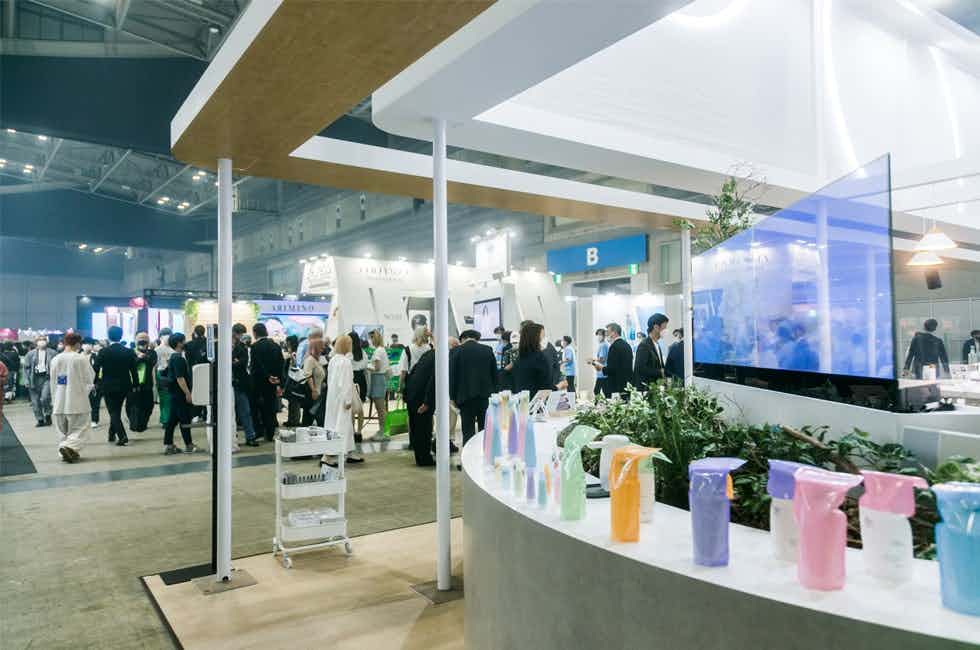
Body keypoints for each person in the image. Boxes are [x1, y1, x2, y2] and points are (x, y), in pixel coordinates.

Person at [48, 332, 95, 463]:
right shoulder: (80, 359)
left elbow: (52, 381)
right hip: (77, 401)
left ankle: (68, 451)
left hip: (59, 401)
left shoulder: (55, 359)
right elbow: (89, 378)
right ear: (78, 344)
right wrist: (86, 391)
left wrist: (54, 399)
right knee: (81, 429)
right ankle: (68, 447)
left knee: (63, 432)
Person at [320, 334, 363, 467]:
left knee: (337, 425)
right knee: (341, 426)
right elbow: (346, 383)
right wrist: (348, 400)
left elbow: (331, 380)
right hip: (342, 399)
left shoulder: (333, 360)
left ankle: (349, 452)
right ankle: (327, 456)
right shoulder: (345, 362)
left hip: (333, 397)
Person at [450, 329, 497, 447]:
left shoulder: (456, 351)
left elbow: (452, 376)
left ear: (463, 338)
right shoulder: (487, 350)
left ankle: (468, 454)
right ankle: (485, 453)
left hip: (464, 396)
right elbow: (494, 374)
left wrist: (452, 397)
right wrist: (495, 392)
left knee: (467, 431)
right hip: (484, 396)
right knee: (485, 430)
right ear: (477, 338)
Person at [94, 326, 139, 445]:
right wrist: (136, 384)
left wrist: (95, 382)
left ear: (108, 336)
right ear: (121, 335)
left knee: (113, 411)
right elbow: (134, 370)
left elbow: (95, 368)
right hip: (125, 385)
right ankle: (111, 434)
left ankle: (122, 436)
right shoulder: (128, 351)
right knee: (116, 410)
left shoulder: (103, 352)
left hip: (107, 385)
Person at [161, 333, 200, 454]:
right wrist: (188, 393)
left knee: (172, 420)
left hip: (174, 393)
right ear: (179, 343)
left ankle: (169, 445)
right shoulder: (178, 358)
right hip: (180, 394)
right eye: (184, 341)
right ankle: (189, 445)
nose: (185, 343)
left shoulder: (173, 357)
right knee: (184, 420)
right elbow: (180, 378)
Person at [250, 322, 284, 442]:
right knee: (270, 406)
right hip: (273, 383)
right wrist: (278, 380)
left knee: (257, 408)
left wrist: (267, 376)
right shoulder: (275, 346)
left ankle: (259, 431)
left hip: (258, 382)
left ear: (255, 333)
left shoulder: (254, 347)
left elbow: (256, 366)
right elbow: (281, 364)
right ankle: (270, 433)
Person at [511, 322, 566, 394]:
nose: (544, 340)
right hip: (537, 398)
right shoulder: (539, 358)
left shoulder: (520, 358)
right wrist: (560, 385)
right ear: (535, 338)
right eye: (542, 337)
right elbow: (545, 388)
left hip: (523, 398)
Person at [405, 346, 436, 466]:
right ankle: (424, 459)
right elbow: (433, 382)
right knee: (424, 429)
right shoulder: (439, 358)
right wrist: (427, 402)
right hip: (421, 398)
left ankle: (420, 457)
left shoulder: (427, 355)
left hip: (412, 395)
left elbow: (412, 372)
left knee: (416, 428)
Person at [231, 323, 259, 447]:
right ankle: (233, 437)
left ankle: (250, 436)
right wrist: (234, 361)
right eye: (240, 334)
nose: (241, 336)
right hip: (228, 384)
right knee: (232, 413)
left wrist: (234, 362)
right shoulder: (225, 345)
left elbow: (242, 363)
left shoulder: (242, 347)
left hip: (240, 384)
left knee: (245, 411)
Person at [126, 332, 157, 432]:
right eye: (140, 338)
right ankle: (133, 423)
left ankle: (143, 424)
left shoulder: (152, 353)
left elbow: (152, 362)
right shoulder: (130, 352)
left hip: (147, 384)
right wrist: (138, 358)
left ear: (148, 341)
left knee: (148, 405)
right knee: (132, 405)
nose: (142, 340)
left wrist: (144, 356)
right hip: (133, 384)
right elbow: (129, 365)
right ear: (135, 340)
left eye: (145, 338)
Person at [634, 313, 669, 391]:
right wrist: (660, 372)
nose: (666, 330)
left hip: (656, 388)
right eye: (664, 327)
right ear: (656, 327)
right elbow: (640, 369)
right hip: (647, 388)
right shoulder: (644, 345)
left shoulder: (656, 344)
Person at [25, 336, 55, 426]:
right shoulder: (30, 354)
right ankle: (40, 419)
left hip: (47, 378)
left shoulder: (53, 353)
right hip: (34, 378)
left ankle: (48, 414)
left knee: (45, 398)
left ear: (47, 341)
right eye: (40, 340)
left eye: (43, 340)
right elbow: (26, 368)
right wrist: (26, 379)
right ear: (36, 342)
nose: (42, 342)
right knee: (35, 401)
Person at [597, 322, 633, 397]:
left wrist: (601, 368)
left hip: (616, 386)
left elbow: (611, 369)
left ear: (614, 332)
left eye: (608, 332)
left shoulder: (614, 347)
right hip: (627, 385)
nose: (606, 335)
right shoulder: (627, 346)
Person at [367, 330, 390, 439]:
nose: (370, 340)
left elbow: (377, 368)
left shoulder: (378, 351)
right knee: (380, 408)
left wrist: (366, 366)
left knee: (380, 409)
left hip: (378, 379)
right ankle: (382, 430)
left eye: (371, 338)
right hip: (379, 379)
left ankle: (383, 432)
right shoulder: (381, 350)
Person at [183, 325, 208, 420]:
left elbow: (187, 359)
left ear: (195, 333)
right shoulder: (208, 343)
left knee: (195, 391)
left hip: (193, 371)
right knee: (206, 391)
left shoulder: (189, 345)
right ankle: (206, 413)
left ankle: (195, 414)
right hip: (206, 371)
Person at [301, 339, 327, 427]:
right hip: (311, 394)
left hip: (318, 393)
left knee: (314, 418)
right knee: (308, 419)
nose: (322, 350)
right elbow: (308, 376)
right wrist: (313, 390)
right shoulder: (310, 360)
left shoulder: (317, 360)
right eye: (321, 348)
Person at [349, 331, 369, 440]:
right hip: (361, 380)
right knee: (360, 408)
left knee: (352, 409)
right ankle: (359, 432)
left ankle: (352, 432)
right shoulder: (363, 353)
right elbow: (365, 366)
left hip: (351, 379)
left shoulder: (348, 353)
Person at [155, 328, 174, 427]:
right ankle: (166, 419)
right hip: (164, 374)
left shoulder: (172, 349)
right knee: (165, 398)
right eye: (165, 335)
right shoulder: (158, 350)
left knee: (167, 398)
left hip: (166, 374)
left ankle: (166, 418)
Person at [284, 334, 302, 427]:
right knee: (292, 401)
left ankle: (294, 420)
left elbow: (295, 366)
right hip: (292, 379)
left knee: (294, 401)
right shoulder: (295, 352)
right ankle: (291, 419)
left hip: (293, 379)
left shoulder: (295, 354)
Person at [86, 340, 104, 429]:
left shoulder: (97, 356)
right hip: (84, 381)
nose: (87, 346)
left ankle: (94, 420)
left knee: (95, 401)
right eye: (85, 344)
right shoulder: (80, 356)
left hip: (96, 382)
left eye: (89, 344)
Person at [590, 328, 609, 397]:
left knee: (597, 390)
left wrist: (593, 360)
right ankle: (603, 402)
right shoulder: (603, 344)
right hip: (602, 372)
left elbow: (602, 359)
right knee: (605, 391)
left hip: (602, 373)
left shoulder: (603, 345)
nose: (599, 336)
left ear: (604, 336)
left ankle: (599, 402)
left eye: (600, 335)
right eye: (598, 335)